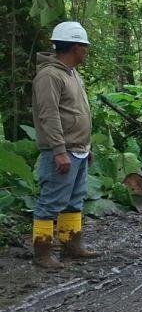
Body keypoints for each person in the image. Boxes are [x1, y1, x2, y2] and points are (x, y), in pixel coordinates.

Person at [31, 21, 100, 270]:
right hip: (62, 151)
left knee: (75, 200)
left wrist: (85, 145)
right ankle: (42, 253)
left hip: (78, 149)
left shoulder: (72, 74)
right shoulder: (49, 75)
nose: (86, 51)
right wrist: (59, 151)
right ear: (75, 47)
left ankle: (72, 244)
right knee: (51, 202)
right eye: (84, 46)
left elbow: (75, 113)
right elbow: (48, 115)